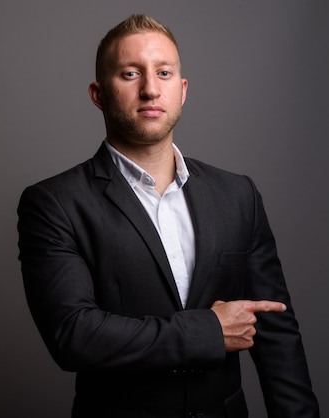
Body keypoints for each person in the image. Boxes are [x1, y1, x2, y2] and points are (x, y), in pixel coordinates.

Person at [17, 14, 319, 418]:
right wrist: (209, 331)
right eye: (129, 73)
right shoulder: (53, 203)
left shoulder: (238, 194)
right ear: (98, 94)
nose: (150, 89)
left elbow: (277, 334)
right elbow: (74, 335)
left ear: (183, 89)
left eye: (163, 72)